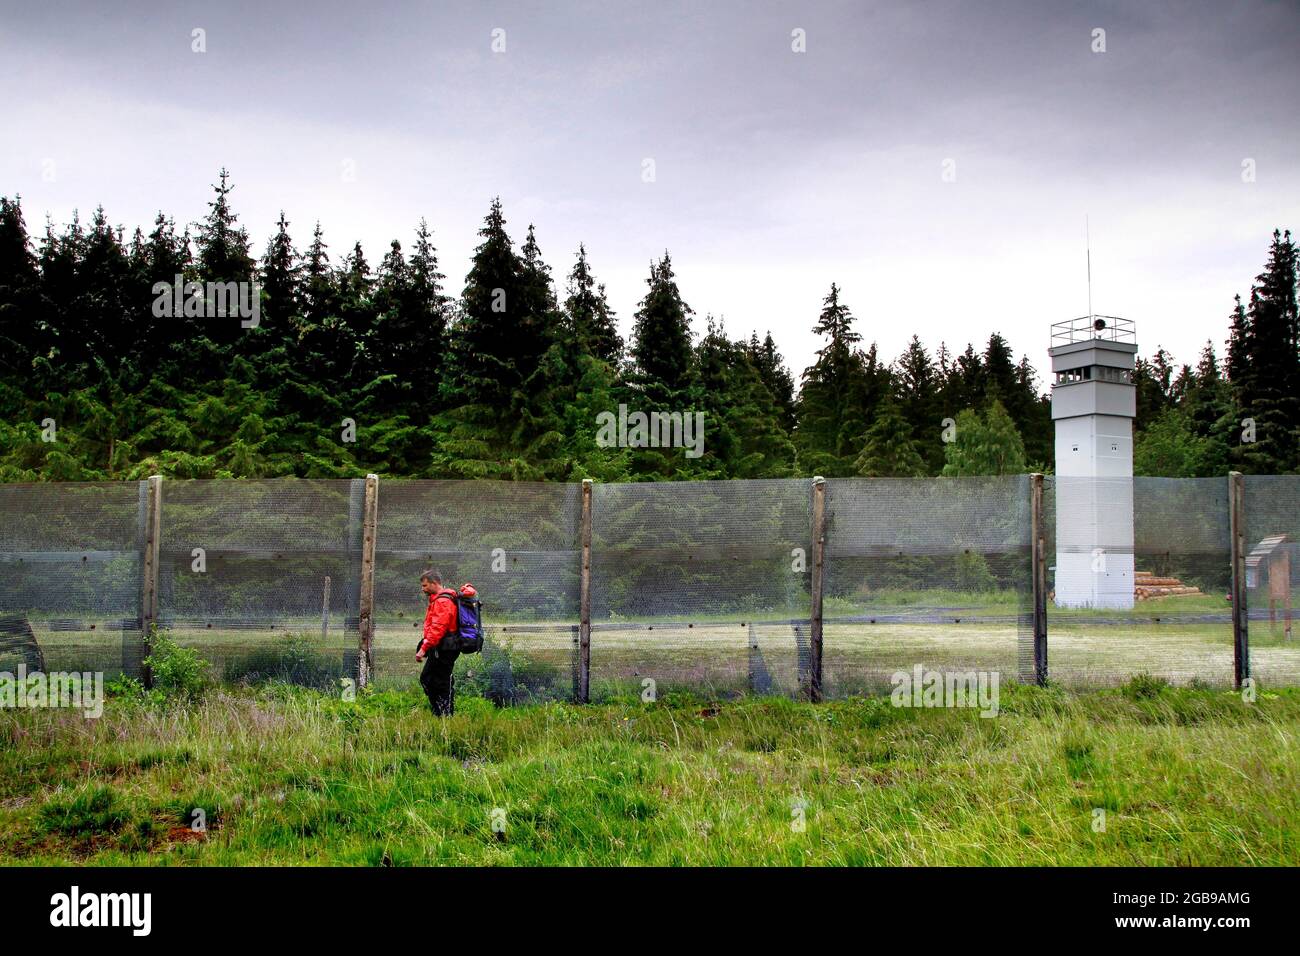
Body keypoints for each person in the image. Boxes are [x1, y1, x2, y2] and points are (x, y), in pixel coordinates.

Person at [415, 570, 460, 716]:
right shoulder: (439, 599)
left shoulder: (443, 601)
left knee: (436, 680)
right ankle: (441, 712)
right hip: (442, 647)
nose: (423, 589)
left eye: (425, 585)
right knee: (432, 679)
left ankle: (444, 714)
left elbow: (438, 628)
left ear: (434, 583)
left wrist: (423, 649)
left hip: (445, 648)